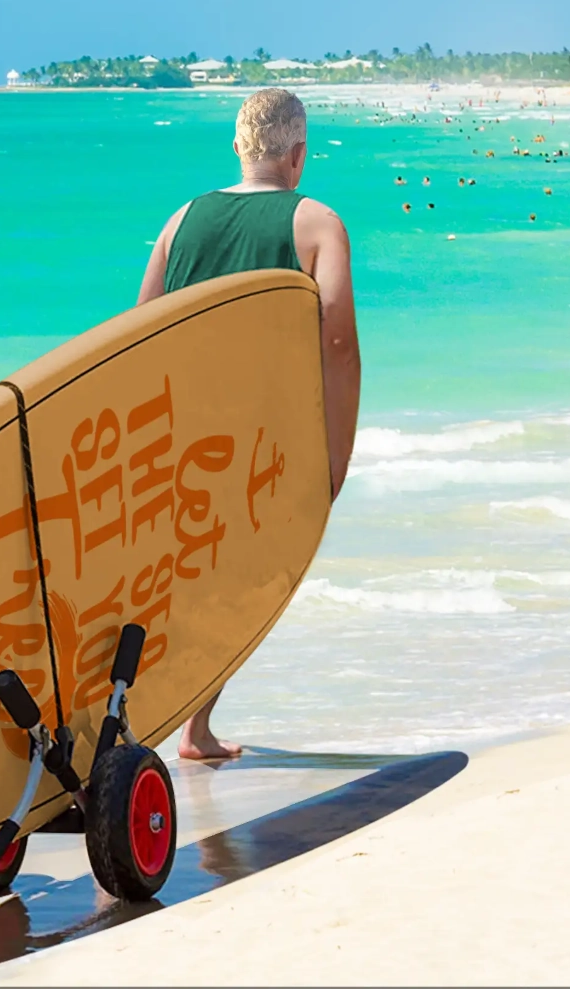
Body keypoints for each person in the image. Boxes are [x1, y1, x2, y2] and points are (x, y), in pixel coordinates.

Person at [137, 88, 361, 760]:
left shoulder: (180, 221)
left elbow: (137, 334)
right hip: (265, 444)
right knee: (239, 585)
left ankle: (161, 725)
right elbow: (337, 345)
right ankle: (192, 727)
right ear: (298, 155)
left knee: (186, 582)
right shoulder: (318, 225)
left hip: (179, 437)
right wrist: (336, 455)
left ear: (237, 147)